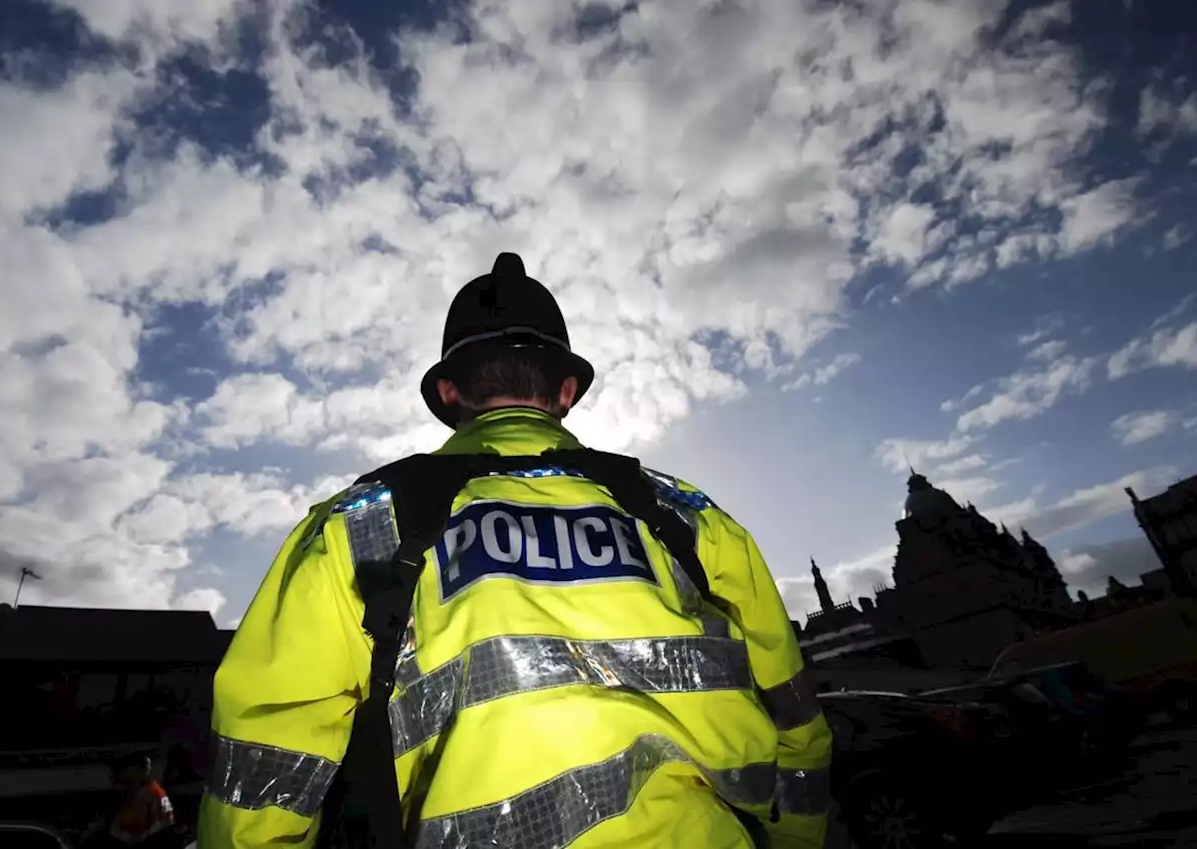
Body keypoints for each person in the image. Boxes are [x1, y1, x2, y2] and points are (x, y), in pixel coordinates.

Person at [199, 253, 832, 848]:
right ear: (565, 393)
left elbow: (266, 757)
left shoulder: (357, 527)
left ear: (449, 394)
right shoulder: (689, 518)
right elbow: (797, 724)